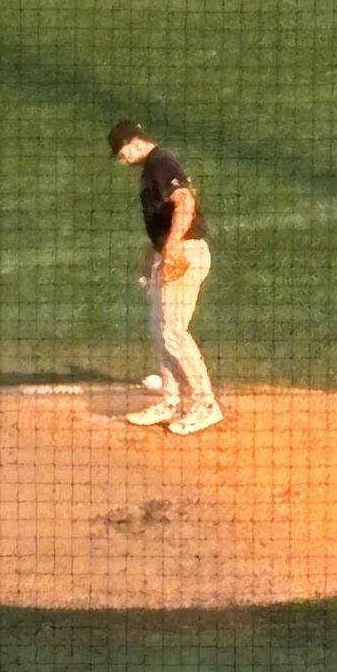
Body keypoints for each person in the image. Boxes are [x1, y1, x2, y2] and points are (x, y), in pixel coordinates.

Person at [108, 119, 220, 435]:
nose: (121, 159)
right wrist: (154, 256)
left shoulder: (161, 162)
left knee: (173, 332)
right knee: (160, 330)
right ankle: (171, 402)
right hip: (170, 253)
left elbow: (185, 203)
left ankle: (205, 405)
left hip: (185, 252)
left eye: (121, 152)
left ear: (132, 142)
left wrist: (171, 250)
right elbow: (161, 222)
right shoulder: (151, 169)